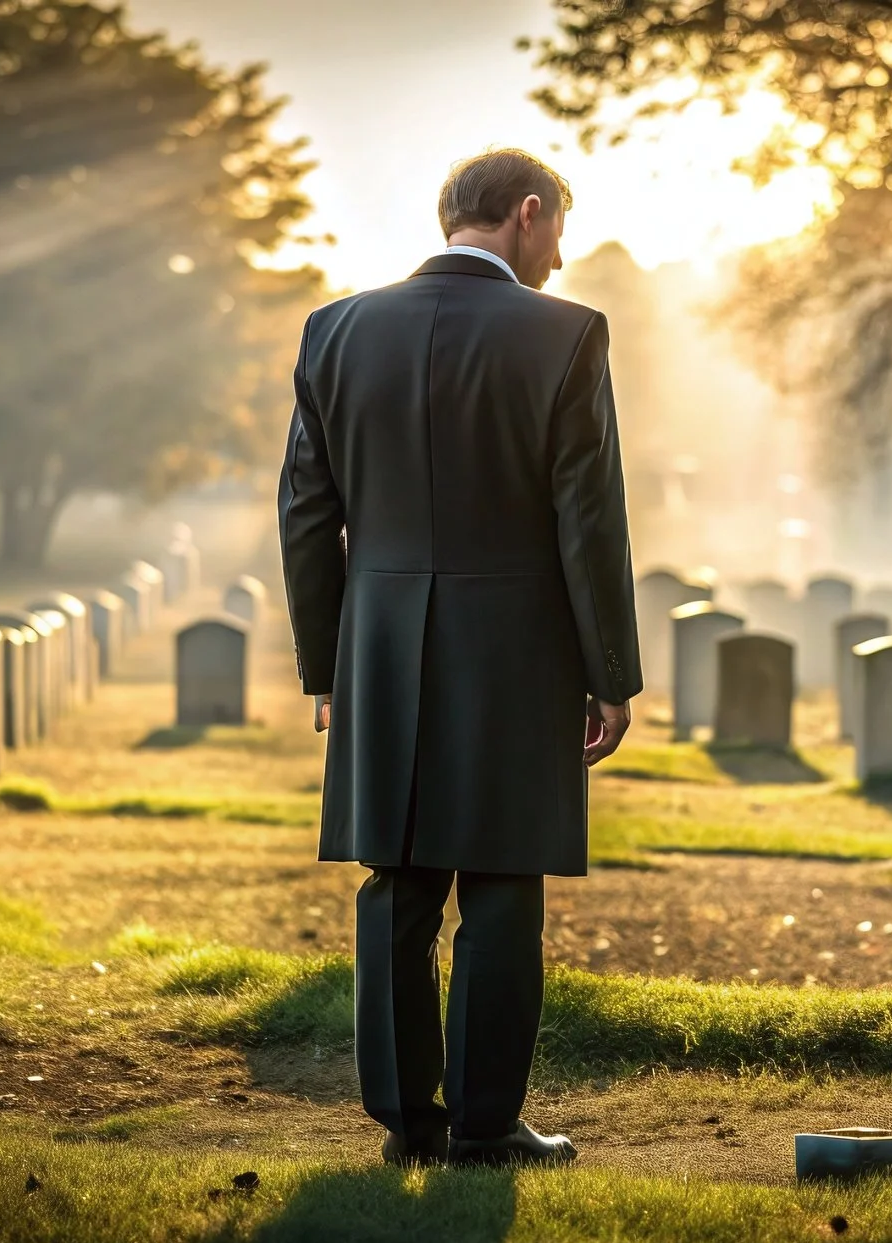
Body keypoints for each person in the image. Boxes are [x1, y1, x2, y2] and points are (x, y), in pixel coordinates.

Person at [278, 149, 640, 1167]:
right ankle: (485, 1125)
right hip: (517, 649)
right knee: (498, 885)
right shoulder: (565, 334)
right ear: (526, 214)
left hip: (380, 645)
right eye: (558, 228)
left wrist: (327, 669)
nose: (560, 254)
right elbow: (588, 517)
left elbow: (307, 511)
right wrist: (608, 671)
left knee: (395, 883)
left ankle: (406, 1122)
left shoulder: (335, 330)